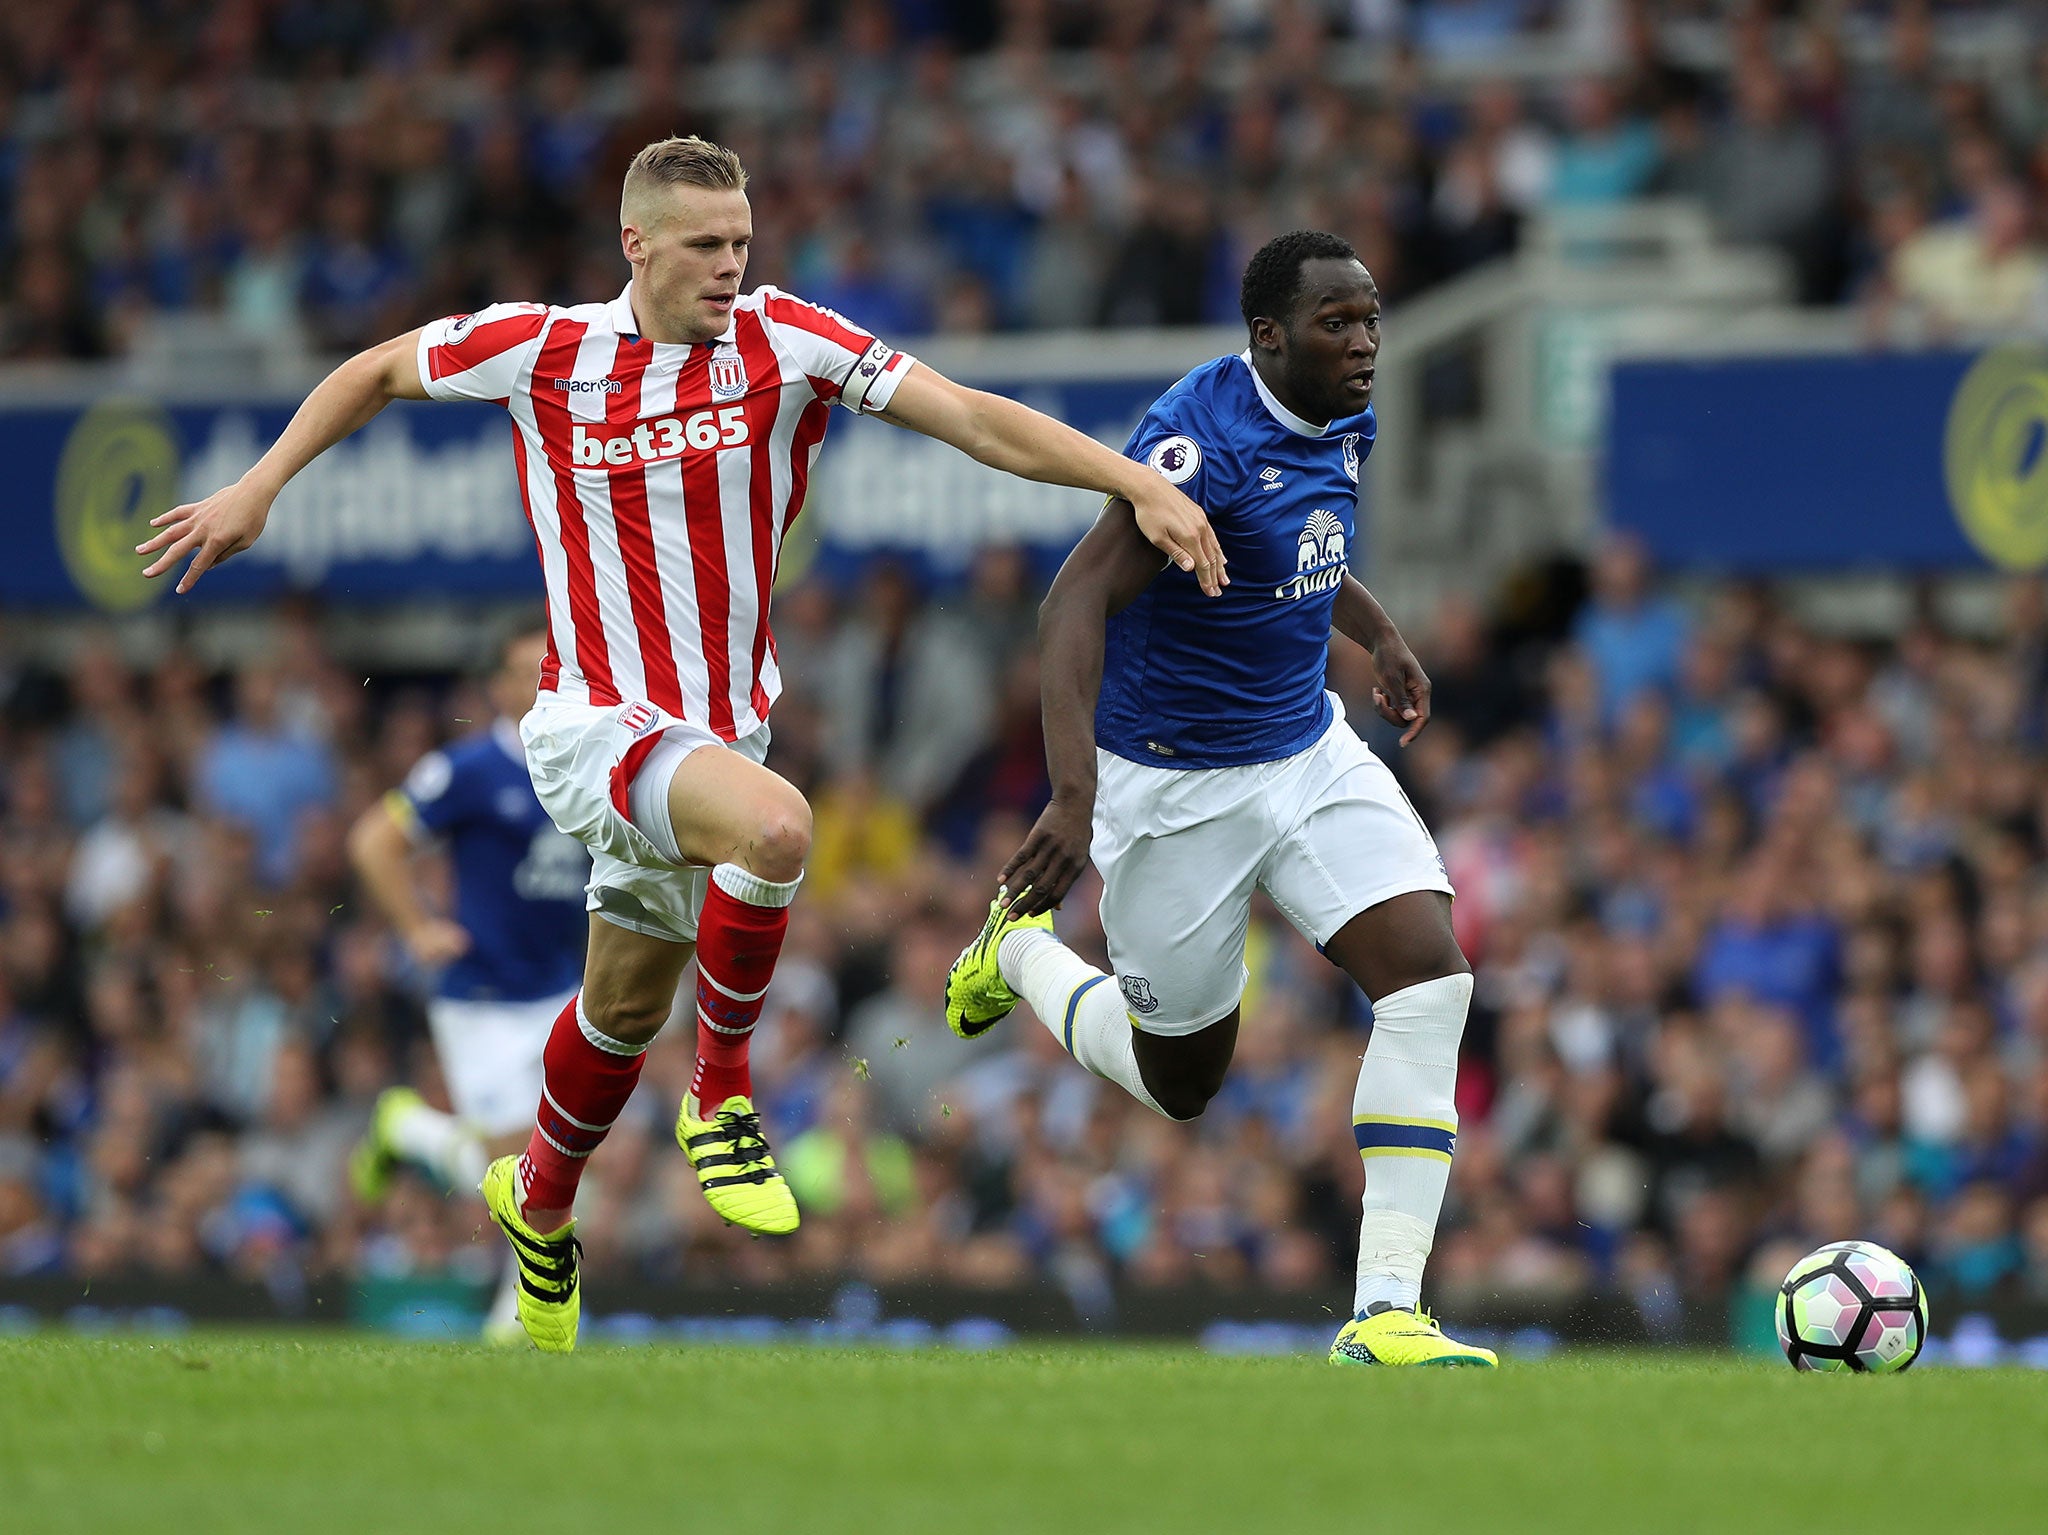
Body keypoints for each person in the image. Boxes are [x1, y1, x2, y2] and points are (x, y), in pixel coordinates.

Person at [137, 134, 1224, 1353]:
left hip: (712, 732)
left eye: (741, 244)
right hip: (590, 721)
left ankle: (537, 1206)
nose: (728, 266)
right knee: (778, 825)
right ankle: (721, 1099)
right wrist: (260, 485)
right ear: (635, 244)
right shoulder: (542, 349)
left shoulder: (783, 340)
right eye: (704, 245)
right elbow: (379, 368)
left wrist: (1133, 479)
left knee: (616, 1009)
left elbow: (968, 416)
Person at [944, 230, 1497, 1367]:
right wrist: (1071, 796)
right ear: (1266, 336)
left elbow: (1297, 537)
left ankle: (1385, 1308)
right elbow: (1071, 605)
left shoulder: (1340, 411)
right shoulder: (1195, 442)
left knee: (1430, 977)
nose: (1362, 343)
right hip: (1174, 786)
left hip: (1305, 749)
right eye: (1335, 324)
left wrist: (1377, 629)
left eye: (1369, 319)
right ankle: (1015, 956)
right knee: (1180, 1080)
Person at [345, 619, 588, 1341]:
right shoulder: (467, 769)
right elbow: (373, 842)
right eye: (525, 669)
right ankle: (520, 1312)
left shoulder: (589, 764)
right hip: (481, 994)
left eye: (552, 667)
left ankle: (409, 1126)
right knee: (516, 1160)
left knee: (554, 1158)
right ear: (497, 686)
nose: (541, 680)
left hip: (562, 985)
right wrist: (418, 927)